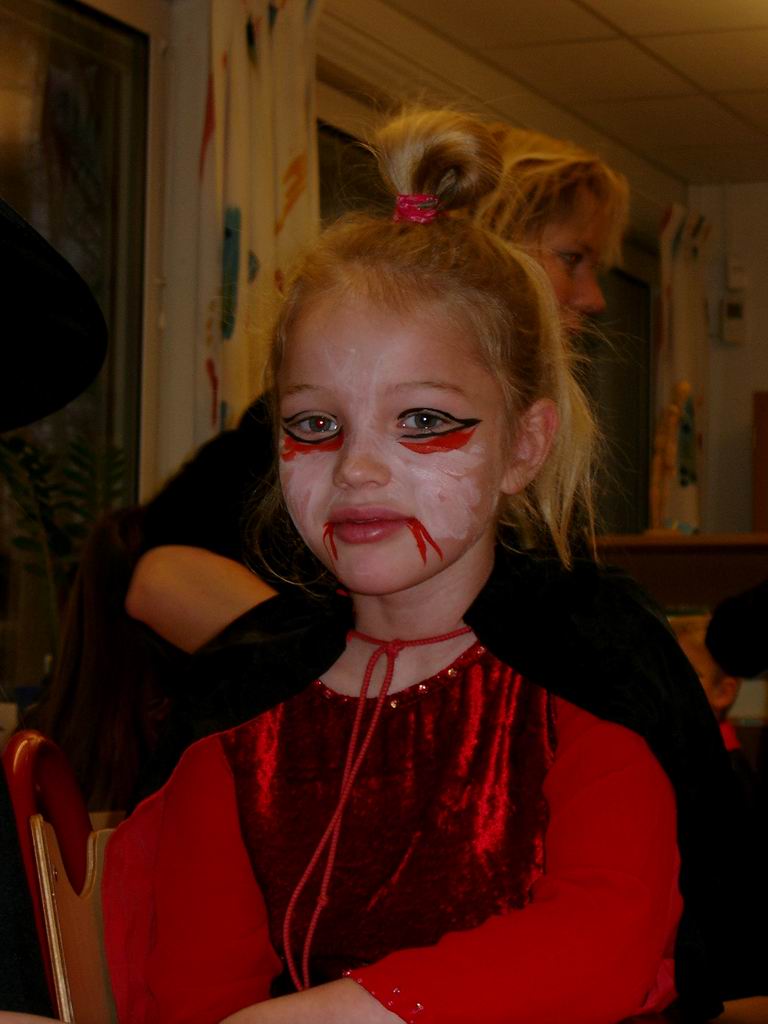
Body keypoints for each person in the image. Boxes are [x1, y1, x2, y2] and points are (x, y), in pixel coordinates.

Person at [99, 108, 763, 1024]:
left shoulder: (592, 668)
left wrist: (331, 1014)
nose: (357, 468)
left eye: (421, 420)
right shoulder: (241, 707)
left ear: (525, 444)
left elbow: (605, 938)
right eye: (315, 424)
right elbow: (197, 990)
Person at [125, 119, 629, 652]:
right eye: (572, 258)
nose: (594, 297)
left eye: (423, 420)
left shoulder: (587, 618)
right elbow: (162, 573)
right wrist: (325, 671)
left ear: (528, 443)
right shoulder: (306, 435)